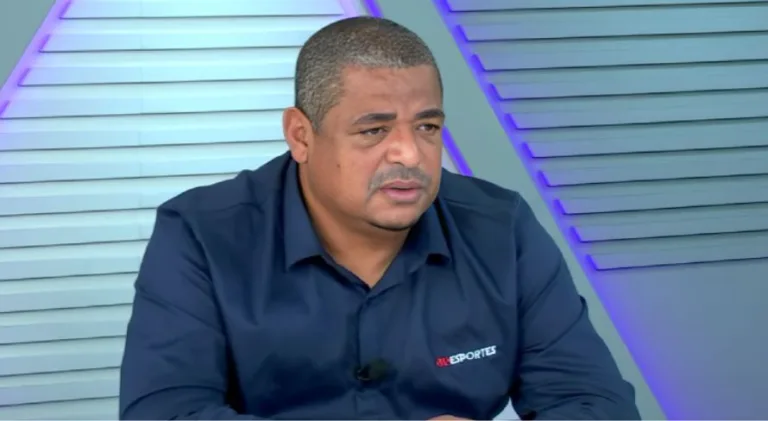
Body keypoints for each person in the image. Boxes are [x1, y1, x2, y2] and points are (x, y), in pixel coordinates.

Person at [119, 16, 641, 420]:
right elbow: (164, 413)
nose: (410, 155)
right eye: (374, 130)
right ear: (301, 136)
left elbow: (597, 403)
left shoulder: (501, 228)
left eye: (427, 127)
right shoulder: (201, 233)